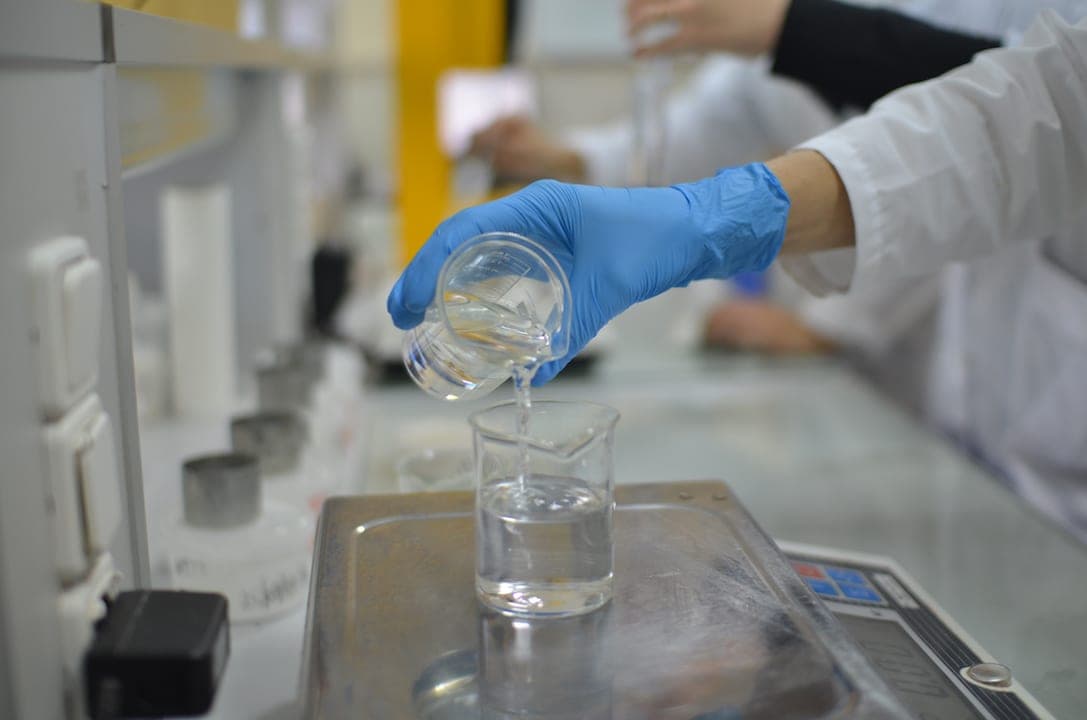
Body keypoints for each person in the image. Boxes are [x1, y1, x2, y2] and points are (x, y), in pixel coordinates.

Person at [391, 7, 1087, 538]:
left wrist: (798, 28)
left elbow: (1004, 128)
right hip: (981, 430)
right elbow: (1017, 119)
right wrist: (679, 206)